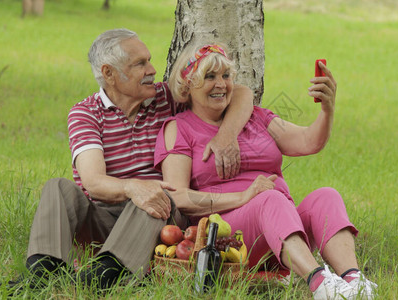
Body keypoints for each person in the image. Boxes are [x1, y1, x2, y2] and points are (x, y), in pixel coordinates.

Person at [8, 29, 254, 291]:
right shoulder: (86, 113)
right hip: (105, 218)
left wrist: (226, 136)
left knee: (157, 195)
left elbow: (241, 93)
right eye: (140, 64)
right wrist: (132, 188)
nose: (152, 69)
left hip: (159, 218)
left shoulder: (167, 98)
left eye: (148, 60)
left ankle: (103, 276)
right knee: (58, 187)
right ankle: (43, 271)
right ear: (109, 73)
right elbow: (93, 182)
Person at [153, 43, 378, 299]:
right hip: (230, 235)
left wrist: (327, 109)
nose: (221, 84)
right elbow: (179, 197)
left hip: (282, 225)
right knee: (269, 198)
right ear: (188, 85)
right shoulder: (178, 128)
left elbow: (308, 141)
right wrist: (245, 196)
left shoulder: (255, 117)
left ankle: (354, 282)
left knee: (326, 196)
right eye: (209, 77)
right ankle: (321, 284)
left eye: (226, 76)